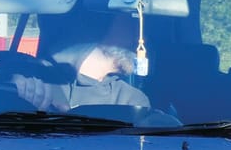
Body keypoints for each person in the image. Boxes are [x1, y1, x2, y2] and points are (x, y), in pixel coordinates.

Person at [10, 13, 151, 114]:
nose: (141, 37)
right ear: (100, 19)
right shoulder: (25, 76)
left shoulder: (130, 101)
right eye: (133, 21)